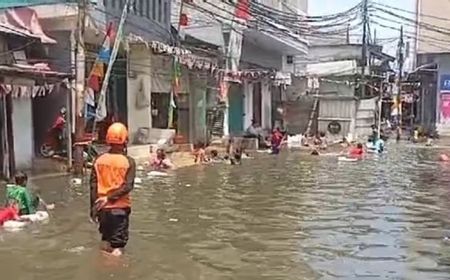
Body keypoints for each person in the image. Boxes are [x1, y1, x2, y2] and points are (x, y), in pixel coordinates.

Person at [90, 122, 136, 257]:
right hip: (119, 210)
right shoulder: (129, 162)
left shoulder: (99, 160)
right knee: (118, 247)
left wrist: (93, 209)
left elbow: (93, 186)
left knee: (105, 242)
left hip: (102, 210)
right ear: (125, 140)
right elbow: (127, 186)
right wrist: (109, 198)